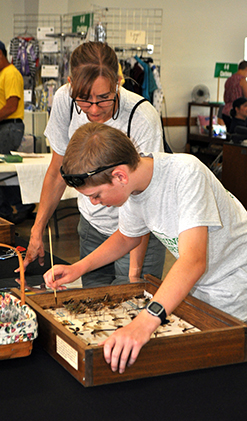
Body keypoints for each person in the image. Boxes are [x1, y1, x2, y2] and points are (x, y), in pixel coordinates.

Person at [44, 122, 247, 375]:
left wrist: (145, 321)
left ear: (120, 175)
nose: (95, 203)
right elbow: (127, 237)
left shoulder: (186, 173)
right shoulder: (133, 186)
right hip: (202, 282)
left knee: (219, 364)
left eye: (96, 195)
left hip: (239, 281)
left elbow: (193, 261)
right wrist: (78, 268)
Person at [21, 41, 166, 286]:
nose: (95, 109)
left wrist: (134, 274)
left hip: (139, 234)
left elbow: (146, 196)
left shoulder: (141, 117)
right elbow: (57, 172)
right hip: (92, 227)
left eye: (104, 98)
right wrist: (37, 229)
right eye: (85, 100)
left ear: (118, 83)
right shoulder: (64, 101)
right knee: (93, 306)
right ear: (70, 84)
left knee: (132, 307)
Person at [0, 40, 35, 224]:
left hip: (9, 126)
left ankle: (8, 211)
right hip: (6, 126)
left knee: (3, 170)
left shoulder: (11, 74)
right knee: (4, 171)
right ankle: (20, 206)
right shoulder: (4, 74)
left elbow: (11, 105)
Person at [222, 60, 247, 132]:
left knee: (230, 134)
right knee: (239, 134)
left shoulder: (229, 79)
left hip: (226, 112)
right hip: (238, 113)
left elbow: (225, 98)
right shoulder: (242, 80)